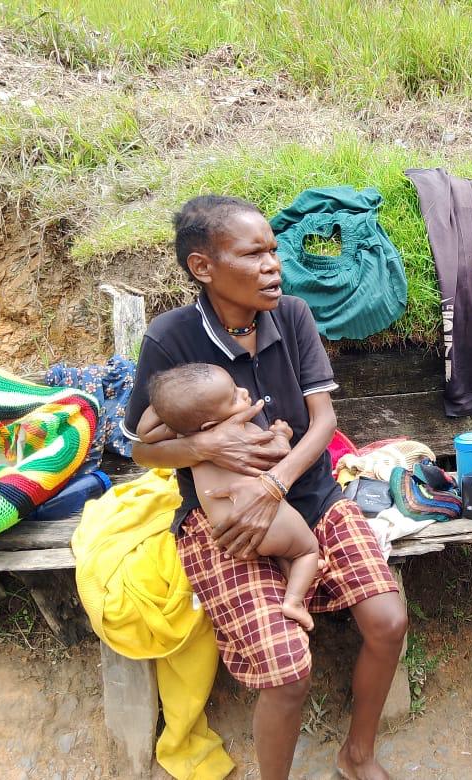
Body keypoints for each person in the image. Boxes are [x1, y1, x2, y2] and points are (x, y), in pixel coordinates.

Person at [121, 195, 407, 780]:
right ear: (203, 267)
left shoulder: (294, 316)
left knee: (388, 621)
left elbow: (322, 422)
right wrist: (205, 448)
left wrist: (275, 483)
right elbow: (140, 448)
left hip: (311, 496)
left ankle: (357, 755)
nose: (273, 265)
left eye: (273, 250)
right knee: (286, 672)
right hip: (225, 518)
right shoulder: (171, 338)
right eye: (253, 254)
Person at [138, 363, 324, 630]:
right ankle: (294, 601)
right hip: (269, 523)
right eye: (234, 397)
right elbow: (279, 456)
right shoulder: (243, 432)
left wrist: (166, 402)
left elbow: (145, 433)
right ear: (211, 423)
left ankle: (289, 573)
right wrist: (281, 434)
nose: (244, 392)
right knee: (307, 550)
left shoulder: (185, 435)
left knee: (283, 550)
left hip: (230, 536)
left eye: (235, 387)